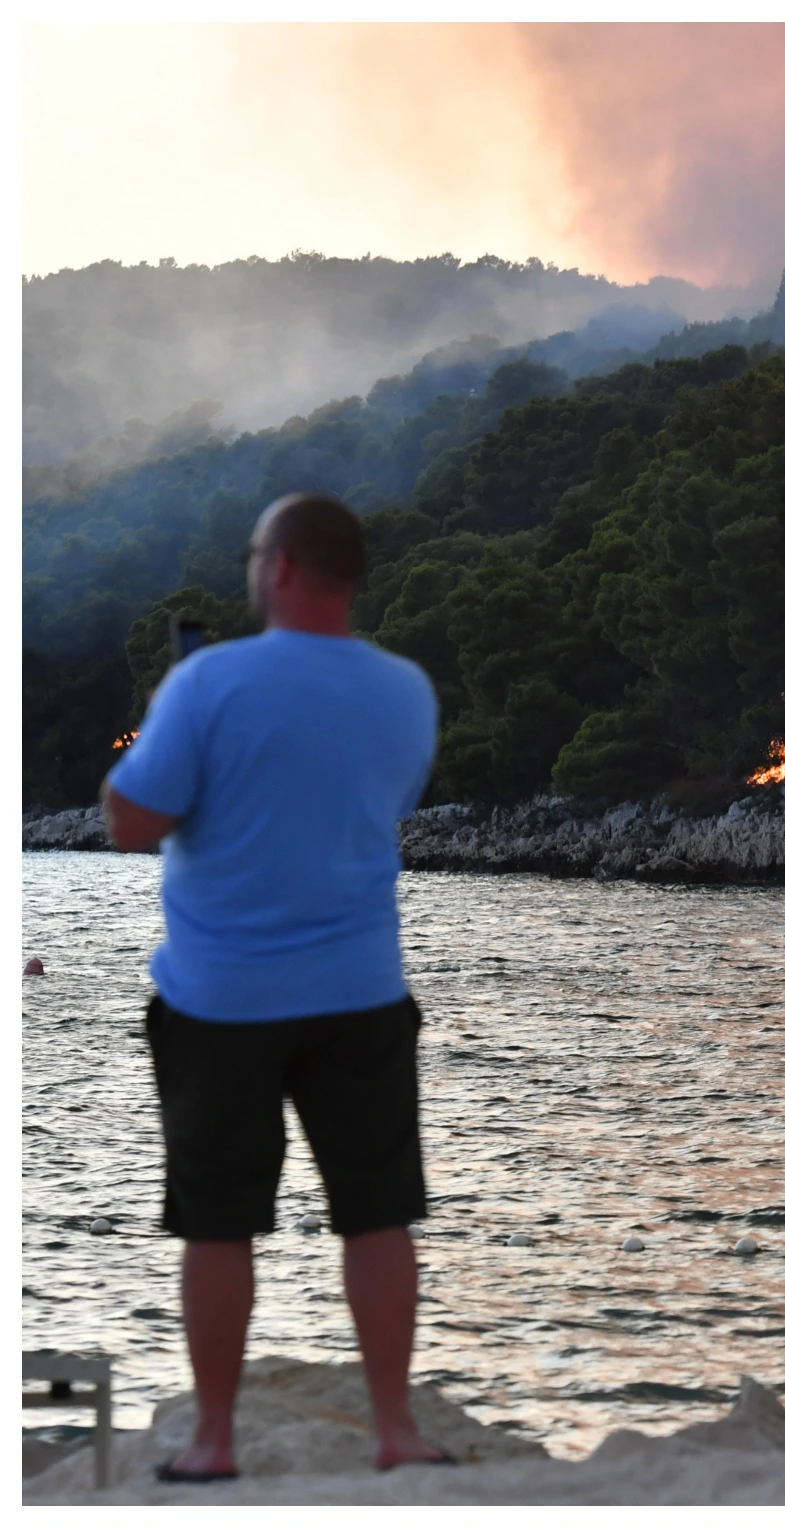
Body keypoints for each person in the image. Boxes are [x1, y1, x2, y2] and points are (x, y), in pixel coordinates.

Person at [101, 492, 443, 1482]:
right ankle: (394, 1432)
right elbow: (373, 802)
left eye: (255, 553)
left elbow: (132, 822)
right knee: (377, 1215)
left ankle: (213, 1443)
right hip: (360, 987)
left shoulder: (206, 683)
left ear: (282, 567)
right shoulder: (406, 690)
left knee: (218, 1223)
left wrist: (142, 755)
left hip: (222, 1000)